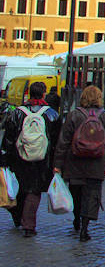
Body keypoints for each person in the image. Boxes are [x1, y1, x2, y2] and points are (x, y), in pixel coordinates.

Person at [53, 85, 105, 241]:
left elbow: (64, 141)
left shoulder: (74, 115)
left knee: (76, 193)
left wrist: (58, 164)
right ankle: (85, 226)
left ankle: (76, 217)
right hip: (96, 163)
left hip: (75, 162)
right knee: (92, 194)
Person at [1, 81, 60, 237]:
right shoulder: (51, 114)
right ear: (43, 94)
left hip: (19, 158)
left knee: (21, 187)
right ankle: (29, 225)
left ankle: (17, 214)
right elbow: (56, 140)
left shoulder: (17, 113)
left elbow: (8, 137)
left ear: (29, 94)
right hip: (42, 160)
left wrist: (6, 157)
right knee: (34, 190)